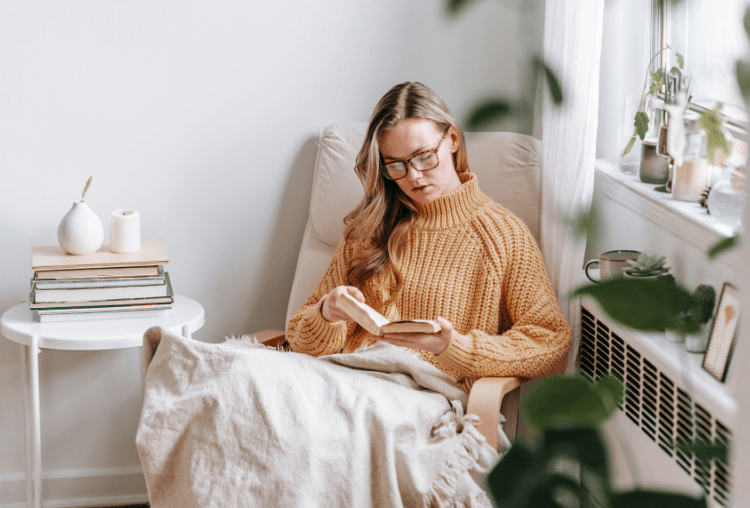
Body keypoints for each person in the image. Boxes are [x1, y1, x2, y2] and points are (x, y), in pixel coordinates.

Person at [287, 82, 571, 390]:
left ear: (451, 139)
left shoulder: (504, 235)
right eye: (395, 165)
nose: (413, 177)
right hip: (342, 382)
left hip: (420, 398)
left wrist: (454, 347)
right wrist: (326, 314)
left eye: (424, 157)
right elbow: (299, 339)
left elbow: (550, 344)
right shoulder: (370, 228)